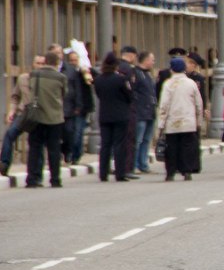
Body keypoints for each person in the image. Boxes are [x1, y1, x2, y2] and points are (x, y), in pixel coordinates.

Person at [23, 51, 67, 187]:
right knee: (54, 150)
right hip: (54, 118)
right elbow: (64, 93)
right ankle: (55, 179)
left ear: (46, 61)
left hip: (36, 117)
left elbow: (30, 89)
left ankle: (32, 178)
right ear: (57, 63)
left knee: (35, 148)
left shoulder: (34, 74)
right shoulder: (61, 77)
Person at [157, 56, 203, 181]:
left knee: (172, 147)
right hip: (188, 121)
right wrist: (199, 121)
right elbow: (198, 103)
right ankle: (187, 171)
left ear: (172, 69)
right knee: (188, 147)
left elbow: (164, 106)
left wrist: (161, 124)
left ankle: (170, 172)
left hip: (172, 122)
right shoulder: (191, 83)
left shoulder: (168, 84)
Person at [92, 52, 135, 182]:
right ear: (116, 66)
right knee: (119, 144)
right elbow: (130, 96)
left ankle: (103, 173)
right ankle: (120, 173)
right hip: (120, 115)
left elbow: (99, 95)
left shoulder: (98, 79)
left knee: (105, 145)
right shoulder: (121, 79)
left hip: (104, 115)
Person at [61, 48, 93, 165]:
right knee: (69, 132)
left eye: (75, 60)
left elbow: (93, 81)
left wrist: (86, 72)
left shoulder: (85, 73)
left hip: (82, 107)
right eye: (71, 60)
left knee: (78, 132)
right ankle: (70, 153)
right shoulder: (68, 73)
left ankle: (76, 155)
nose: (73, 63)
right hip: (70, 107)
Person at [130, 51, 157, 174]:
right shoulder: (136, 73)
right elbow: (133, 92)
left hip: (150, 111)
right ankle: (134, 164)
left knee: (146, 140)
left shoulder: (148, 74)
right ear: (145, 60)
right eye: (152, 59)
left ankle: (143, 164)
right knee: (138, 140)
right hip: (140, 112)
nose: (153, 62)